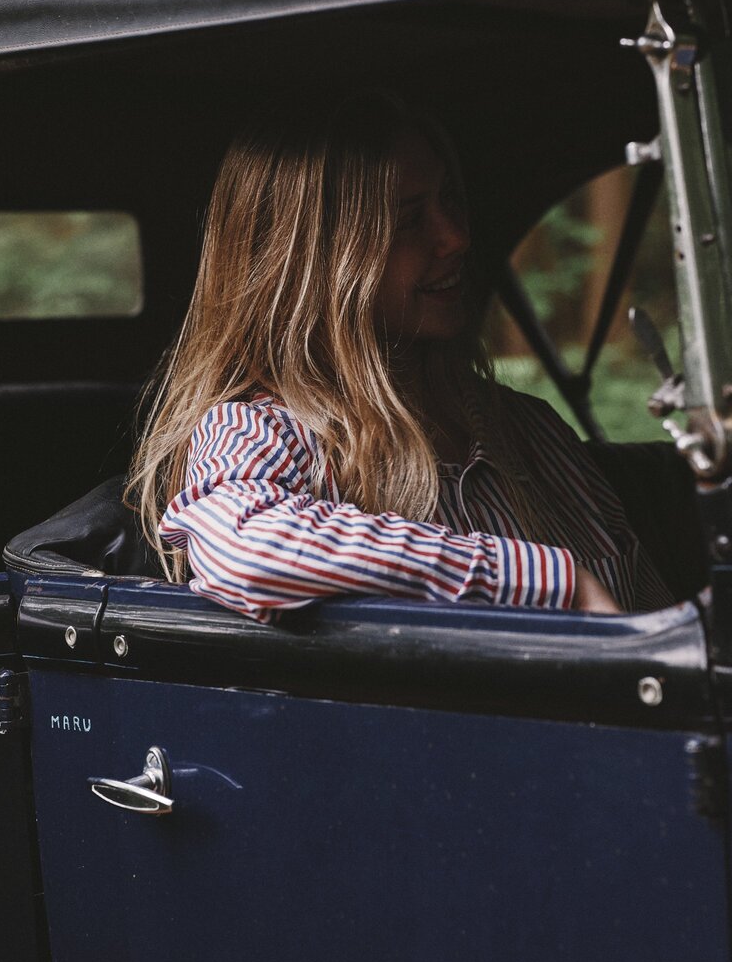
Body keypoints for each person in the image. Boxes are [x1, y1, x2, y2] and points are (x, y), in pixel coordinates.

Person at [128, 90, 670, 622]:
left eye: (449, 199)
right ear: (319, 261)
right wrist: (548, 583)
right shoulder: (263, 432)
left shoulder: (534, 432)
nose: (456, 237)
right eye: (409, 220)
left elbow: (655, 621)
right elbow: (248, 549)